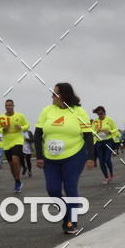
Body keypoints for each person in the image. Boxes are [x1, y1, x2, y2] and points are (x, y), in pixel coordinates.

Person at [35, 82, 95, 235]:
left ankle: (71, 222)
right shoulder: (47, 111)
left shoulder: (78, 112)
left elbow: (88, 136)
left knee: (70, 188)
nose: (52, 96)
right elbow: (37, 135)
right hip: (50, 158)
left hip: (75, 155)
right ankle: (67, 214)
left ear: (65, 95)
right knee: (53, 190)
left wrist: (91, 157)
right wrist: (40, 156)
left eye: (56, 93)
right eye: (53, 93)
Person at [0, 99, 30, 192]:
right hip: (6, 142)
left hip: (17, 140)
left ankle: (18, 180)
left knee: (15, 159)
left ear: (13, 106)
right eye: (7, 105)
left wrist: (21, 127)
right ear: (5, 107)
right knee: (11, 164)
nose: (8, 107)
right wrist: (2, 129)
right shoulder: (1, 118)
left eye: (10, 105)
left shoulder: (19, 116)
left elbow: (27, 125)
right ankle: (17, 181)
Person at [92, 106, 119, 184]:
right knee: (101, 161)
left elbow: (115, 129)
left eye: (101, 113)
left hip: (108, 141)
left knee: (107, 159)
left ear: (104, 112)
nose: (100, 115)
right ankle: (106, 177)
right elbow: (92, 131)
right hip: (99, 142)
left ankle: (111, 173)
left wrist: (109, 131)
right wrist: (96, 131)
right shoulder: (95, 121)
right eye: (98, 114)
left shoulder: (109, 120)